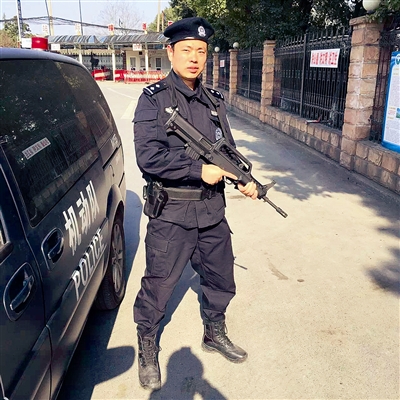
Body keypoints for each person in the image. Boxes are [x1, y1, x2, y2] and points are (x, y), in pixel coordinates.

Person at [132, 16, 258, 391]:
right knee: (159, 285)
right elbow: (148, 158)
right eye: (186, 50)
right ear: (170, 52)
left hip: (212, 211)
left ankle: (213, 332)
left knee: (221, 278)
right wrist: (196, 169)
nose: (194, 58)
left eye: (200, 51)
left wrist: (244, 178)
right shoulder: (153, 99)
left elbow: (227, 151)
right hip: (172, 213)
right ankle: (147, 346)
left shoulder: (214, 101)